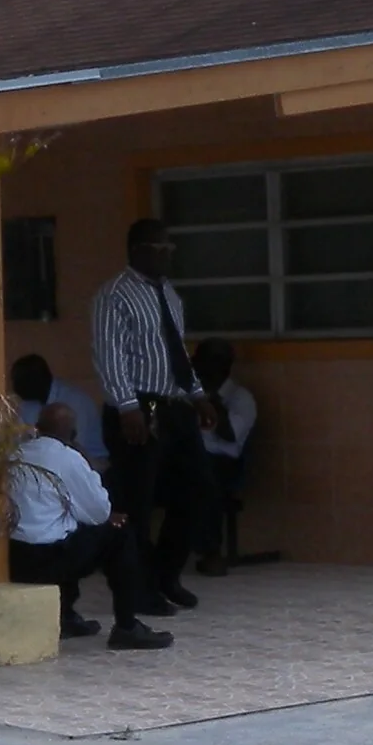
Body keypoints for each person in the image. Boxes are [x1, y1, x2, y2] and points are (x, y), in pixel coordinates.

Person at [88, 217, 225, 608]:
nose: (167, 256)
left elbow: (176, 353)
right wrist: (127, 406)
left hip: (173, 406)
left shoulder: (169, 294)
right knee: (138, 501)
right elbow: (110, 355)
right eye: (158, 249)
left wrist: (198, 395)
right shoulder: (114, 295)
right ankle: (138, 589)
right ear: (137, 251)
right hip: (138, 408)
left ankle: (166, 574)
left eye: (170, 249)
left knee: (199, 488)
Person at [6, 401, 172, 649]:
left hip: (15, 558)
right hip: (49, 562)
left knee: (67, 528)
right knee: (120, 535)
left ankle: (66, 617)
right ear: (73, 433)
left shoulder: (15, 455)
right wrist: (87, 463)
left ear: (37, 428)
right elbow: (99, 512)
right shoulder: (68, 458)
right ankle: (127, 627)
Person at [193, 338, 260, 574]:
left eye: (207, 364)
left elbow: (230, 435)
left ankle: (211, 552)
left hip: (224, 463)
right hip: (191, 456)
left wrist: (212, 402)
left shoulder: (241, 398)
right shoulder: (191, 394)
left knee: (205, 478)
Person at [7, 353, 106, 469]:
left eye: (20, 383)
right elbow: (19, 441)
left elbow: (73, 448)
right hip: (44, 463)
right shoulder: (27, 404)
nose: (14, 389)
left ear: (37, 381)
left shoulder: (76, 401)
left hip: (88, 464)